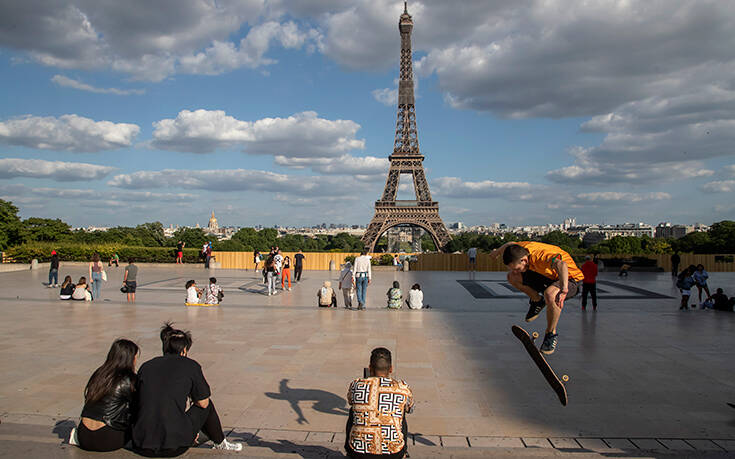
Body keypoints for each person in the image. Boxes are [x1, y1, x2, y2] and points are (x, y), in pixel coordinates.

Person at [132, 323, 242, 455]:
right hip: (174, 445)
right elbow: (203, 403)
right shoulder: (190, 366)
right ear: (184, 350)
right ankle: (220, 442)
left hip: (141, 443)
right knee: (206, 403)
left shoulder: (147, 366)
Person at [490, 241, 584, 355]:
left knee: (551, 294)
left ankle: (551, 334)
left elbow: (562, 265)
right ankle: (537, 301)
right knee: (512, 277)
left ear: (524, 260)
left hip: (569, 279)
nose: (516, 270)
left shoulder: (541, 256)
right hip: (548, 275)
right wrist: (496, 252)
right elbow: (509, 244)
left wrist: (564, 290)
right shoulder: (519, 249)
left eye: (517, 268)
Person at [69, 339, 139, 452]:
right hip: (107, 438)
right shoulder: (129, 379)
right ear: (130, 358)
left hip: (84, 435)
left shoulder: (99, 374)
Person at [345, 348, 413, 459]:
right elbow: (410, 409)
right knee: (401, 412)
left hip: (359, 453)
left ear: (370, 368)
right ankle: (404, 452)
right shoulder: (402, 388)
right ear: (391, 369)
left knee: (353, 410)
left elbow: (351, 401)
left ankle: (349, 450)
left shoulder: (356, 384)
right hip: (393, 453)